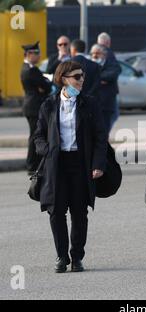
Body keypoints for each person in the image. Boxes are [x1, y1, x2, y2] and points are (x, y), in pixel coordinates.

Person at [33, 61, 107, 273]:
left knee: (79, 212)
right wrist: (47, 150)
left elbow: (100, 137)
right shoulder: (48, 104)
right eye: (76, 76)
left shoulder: (89, 103)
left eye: (82, 76)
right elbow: (38, 135)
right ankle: (61, 256)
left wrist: (98, 164)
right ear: (63, 78)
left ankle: (77, 257)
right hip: (56, 164)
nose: (81, 80)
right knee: (55, 211)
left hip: (81, 164)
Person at [20, 41, 52, 175]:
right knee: (35, 136)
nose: (39, 56)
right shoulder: (30, 70)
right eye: (36, 53)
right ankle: (32, 165)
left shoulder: (31, 68)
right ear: (29, 54)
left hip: (33, 105)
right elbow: (46, 86)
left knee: (36, 135)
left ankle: (35, 164)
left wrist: (44, 85)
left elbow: (44, 85)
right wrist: (46, 84)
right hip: (33, 106)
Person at [90, 43, 121, 135]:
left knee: (104, 131)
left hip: (106, 105)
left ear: (104, 55)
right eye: (93, 53)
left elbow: (111, 75)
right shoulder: (89, 65)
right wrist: (100, 81)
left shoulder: (112, 65)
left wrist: (95, 79)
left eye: (97, 53)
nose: (95, 55)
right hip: (92, 104)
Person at [97, 32, 121, 127]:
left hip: (101, 92)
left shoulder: (95, 53)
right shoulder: (108, 53)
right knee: (112, 115)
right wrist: (100, 79)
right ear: (108, 42)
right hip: (107, 93)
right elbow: (116, 69)